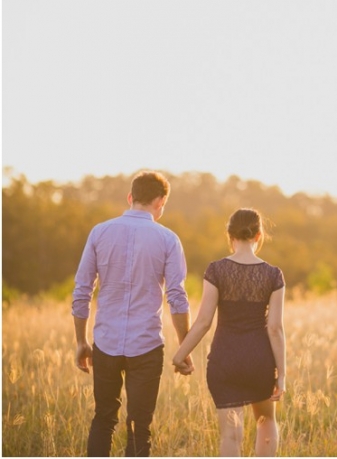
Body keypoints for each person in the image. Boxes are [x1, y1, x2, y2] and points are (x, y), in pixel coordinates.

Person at [72, 171, 193, 457]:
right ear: (160, 202)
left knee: (103, 419)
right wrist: (185, 347)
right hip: (147, 346)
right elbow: (176, 297)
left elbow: (82, 291)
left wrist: (81, 341)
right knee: (140, 427)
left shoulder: (99, 232)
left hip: (105, 343)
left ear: (130, 197)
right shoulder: (168, 239)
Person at [173, 208, 286, 457]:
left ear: (230, 234)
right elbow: (275, 329)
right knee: (266, 422)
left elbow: (203, 321)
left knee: (230, 435)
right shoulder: (273, 275)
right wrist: (282, 375)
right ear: (258, 235)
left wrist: (179, 355)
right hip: (260, 361)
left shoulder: (216, 270)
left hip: (225, 361)